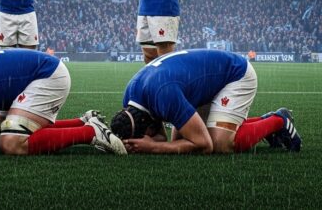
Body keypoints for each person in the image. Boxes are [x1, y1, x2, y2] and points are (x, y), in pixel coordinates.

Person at [109, 49, 302, 154]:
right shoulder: (131, 98)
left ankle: (278, 121)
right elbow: (165, 137)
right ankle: (261, 122)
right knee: (181, 142)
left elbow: (204, 145)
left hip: (235, 74)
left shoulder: (163, 96)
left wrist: (154, 147)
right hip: (205, 82)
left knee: (220, 144)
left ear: (146, 126)